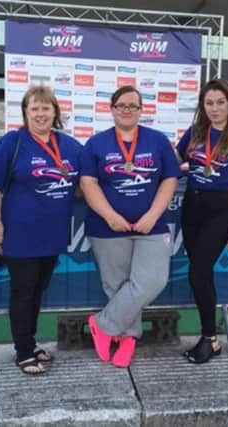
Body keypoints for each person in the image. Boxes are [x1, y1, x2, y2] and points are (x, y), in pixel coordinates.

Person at [0, 86, 82, 375]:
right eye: (34, 108)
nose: (40, 113)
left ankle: (31, 342)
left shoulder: (70, 146)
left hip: (54, 234)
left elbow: (87, 182)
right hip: (21, 234)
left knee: (38, 291)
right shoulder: (13, 142)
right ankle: (23, 352)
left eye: (46, 108)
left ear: (55, 113)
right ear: (25, 112)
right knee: (23, 292)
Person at [81, 85, 180, 368]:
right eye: (121, 105)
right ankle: (127, 339)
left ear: (141, 110)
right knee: (117, 285)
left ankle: (103, 324)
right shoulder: (96, 143)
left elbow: (169, 180)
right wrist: (109, 215)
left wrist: (152, 214)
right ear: (111, 109)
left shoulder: (157, 141)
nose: (126, 110)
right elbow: (88, 183)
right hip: (107, 226)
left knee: (152, 281)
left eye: (132, 106)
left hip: (152, 225)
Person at [176, 79, 228, 364]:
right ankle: (208, 338)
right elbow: (176, 160)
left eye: (220, 102)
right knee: (200, 273)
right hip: (192, 206)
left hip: (220, 210)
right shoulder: (196, 132)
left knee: (199, 273)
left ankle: (210, 339)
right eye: (209, 103)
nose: (214, 109)